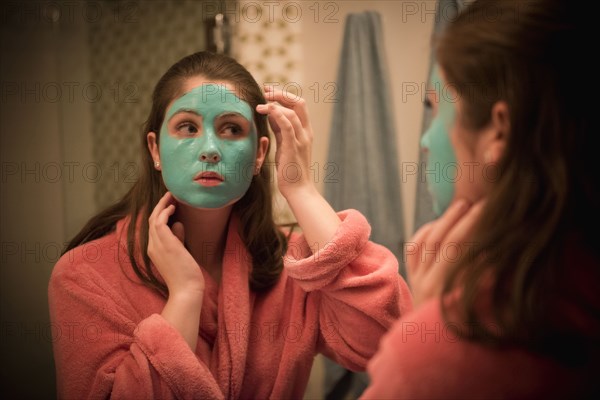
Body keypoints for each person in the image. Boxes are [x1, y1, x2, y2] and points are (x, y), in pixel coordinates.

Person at [48, 51, 413, 399]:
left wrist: (301, 189)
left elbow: (393, 346)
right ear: (155, 150)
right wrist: (186, 295)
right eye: (188, 127)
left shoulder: (297, 269)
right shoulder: (84, 275)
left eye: (231, 130)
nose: (209, 148)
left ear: (259, 154)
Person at [361, 0, 600, 398]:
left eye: (436, 110)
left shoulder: (463, 350)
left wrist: (429, 332)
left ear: (499, 133)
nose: (424, 141)